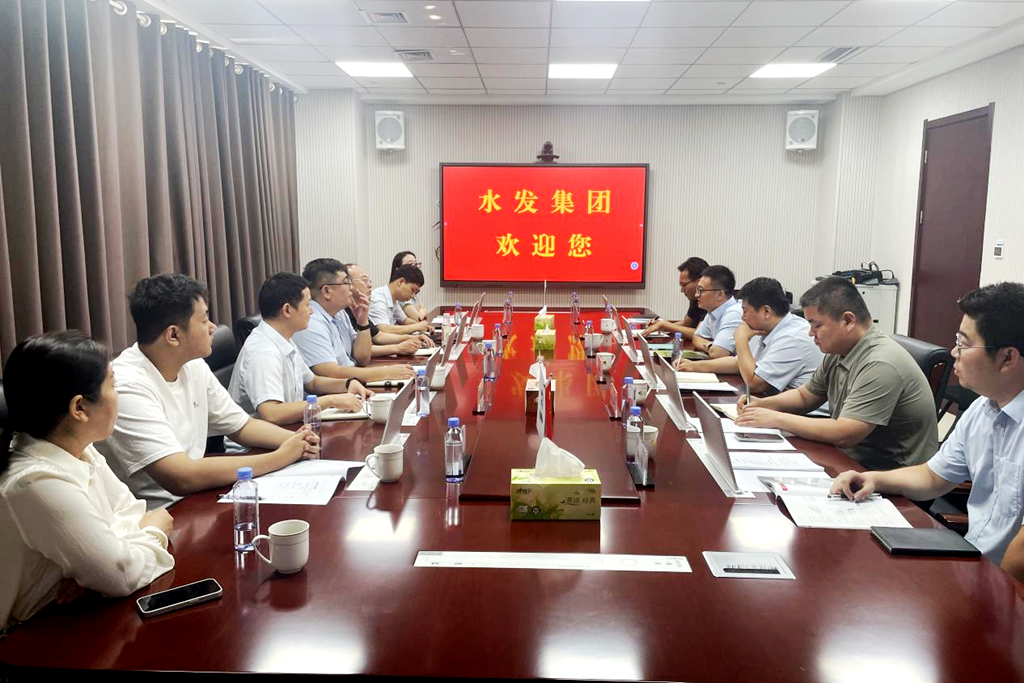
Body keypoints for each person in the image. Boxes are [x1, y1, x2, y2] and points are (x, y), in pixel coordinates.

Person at [831, 283, 1024, 580]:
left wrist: (997, 594)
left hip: (1005, 585)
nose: (954, 352)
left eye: (964, 343)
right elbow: (933, 477)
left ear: (1008, 358)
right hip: (973, 565)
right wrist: (874, 479)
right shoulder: (983, 409)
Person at [97, 274, 319, 510]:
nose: (213, 327)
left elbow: (242, 426)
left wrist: (298, 441)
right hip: (161, 514)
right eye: (204, 320)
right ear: (173, 335)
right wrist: (281, 457)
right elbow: (181, 476)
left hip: (200, 496)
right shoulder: (126, 386)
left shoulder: (192, 365)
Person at [0, 332, 175, 627]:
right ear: (79, 408)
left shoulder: (79, 449)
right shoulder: (35, 482)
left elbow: (130, 511)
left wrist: (97, 570)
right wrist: (154, 532)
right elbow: (120, 574)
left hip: (74, 617)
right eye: (113, 385)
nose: (118, 394)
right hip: (31, 638)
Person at [736, 277, 938, 470]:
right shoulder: (840, 351)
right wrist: (762, 404)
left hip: (886, 474)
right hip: (850, 459)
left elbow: (845, 433)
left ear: (848, 320)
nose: (810, 333)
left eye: (816, 325)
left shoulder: (881, 363)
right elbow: (805, 396)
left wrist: (776, 419)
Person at [229, 273, 372, 425]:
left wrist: (348, 384)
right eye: (308, 305)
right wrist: (331, 400)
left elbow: (312, 382)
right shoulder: (264, 352)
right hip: (260, 439)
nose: (311, 311)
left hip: (290, 428)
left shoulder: (284, 338)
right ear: (287, 310)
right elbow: (272, 413)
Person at [676, 277, 823, 398]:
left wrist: (741, 339)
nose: (742, 317)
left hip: (807, 416)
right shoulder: (765, 327)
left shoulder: (792, 338)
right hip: (776, 404)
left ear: (766, 311)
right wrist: (694, 366)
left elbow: (755, 383)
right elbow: (738, 362)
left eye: (745, 311)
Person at [294, 259, 416, 382]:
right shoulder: (311, 322)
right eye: (346, 282)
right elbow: (329, 372)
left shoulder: (340, 313)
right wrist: (385, 372)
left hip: (350, 382)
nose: (351, 288)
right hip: (336, 389)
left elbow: (362, 358)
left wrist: (362, 323)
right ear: (326, 291)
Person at [346, 263, 434, 357]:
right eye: (364, 280)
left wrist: (414, 337)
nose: (370, 285)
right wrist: (398, 347)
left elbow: (379, 335)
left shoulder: (360, 308)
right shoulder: (377, 299)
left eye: (369, 281)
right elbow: (382, 330)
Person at [642, 257, 709, 339]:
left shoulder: (711, 300)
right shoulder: (695, 299)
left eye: (684, 285)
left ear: (699, 281)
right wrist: (660, 325)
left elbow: (699, 335)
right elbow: (687, 324)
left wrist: (665, 325)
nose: (682, 290)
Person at [691, 265, 743, 358]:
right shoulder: (713, 310)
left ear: (720, 294)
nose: (696, 295)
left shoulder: (734, 314)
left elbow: (718, 353)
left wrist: (713, 348)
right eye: (697, 290)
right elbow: (696, 338)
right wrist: (710, 346)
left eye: (701, 290)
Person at [369, 264, 433, 336]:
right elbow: (384, 330)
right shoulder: (378, 299)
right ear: (400, 282)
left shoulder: (393, 299)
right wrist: (417, 327)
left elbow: (404, 320)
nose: (412, 296)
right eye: (412, 290)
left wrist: (424, 326)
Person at [391, 251, 428, 322]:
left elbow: (424, 312)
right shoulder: (400, 295)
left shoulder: (412, 290)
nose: (415, 267)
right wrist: (421, 314)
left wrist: (422, 314)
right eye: (411, 264)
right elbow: (419, 318)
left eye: (416, 264)